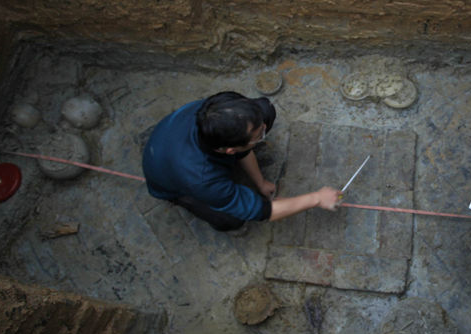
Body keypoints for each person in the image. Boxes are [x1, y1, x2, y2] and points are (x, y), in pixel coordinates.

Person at [142, 91, 340, 231]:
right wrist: (317, 198)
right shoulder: (203, 181)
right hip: (173, 181)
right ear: (230, 150)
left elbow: (245, 145)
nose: (264, 130)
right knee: (231, 219)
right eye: (258, 134)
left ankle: (247, 153)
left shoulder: (215, 110)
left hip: (171, 142)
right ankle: (181, 200)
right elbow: (264, 211)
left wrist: (260, 183)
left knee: (266, 111)